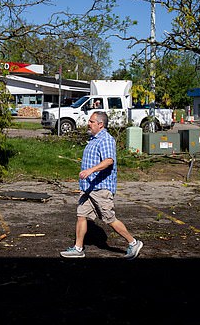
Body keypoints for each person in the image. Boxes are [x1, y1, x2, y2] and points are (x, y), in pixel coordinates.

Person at [60, 111, 143, 259]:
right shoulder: (93, 139)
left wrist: (90, 171)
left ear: (100, 124)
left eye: (91, 121)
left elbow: (109, 160)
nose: (88, 124)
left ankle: (133, 242)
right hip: (88, 188)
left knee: (109, 219)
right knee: (81, 215)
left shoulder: (105, 139)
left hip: (101, 188)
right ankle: (78, 248)